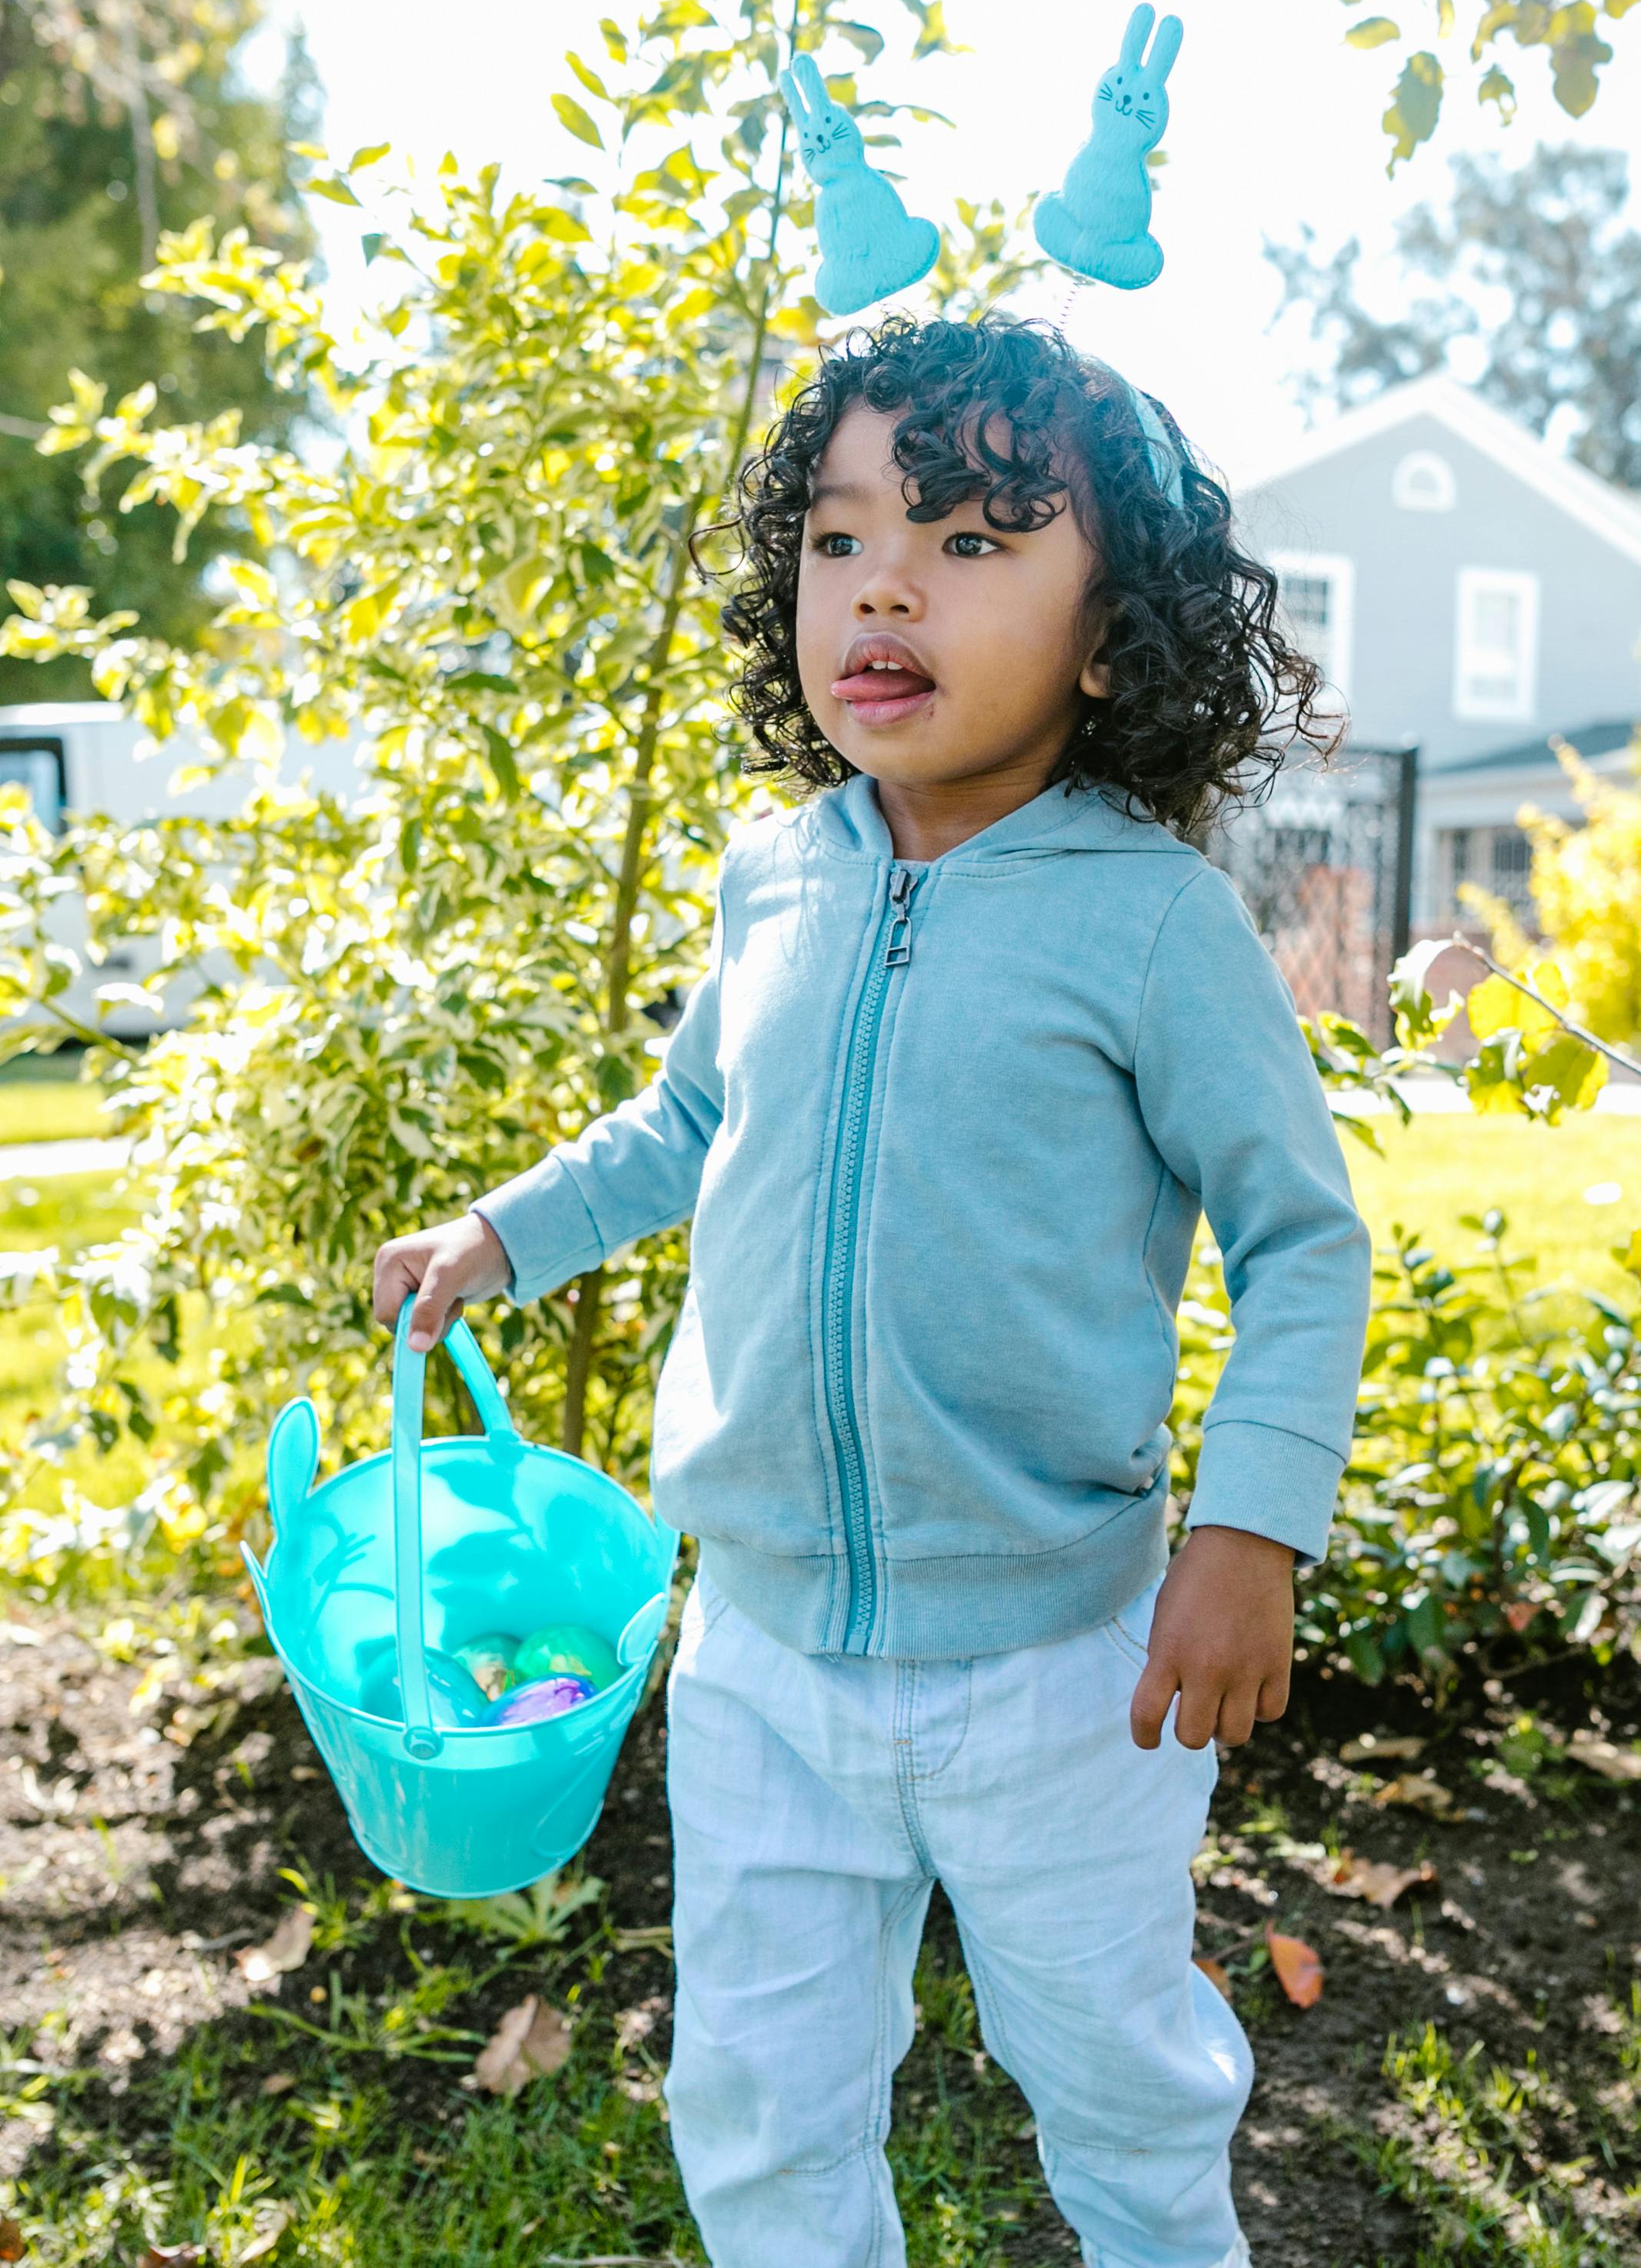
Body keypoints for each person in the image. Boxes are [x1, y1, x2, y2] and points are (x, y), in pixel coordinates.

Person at [374, 312, 1372, 2268]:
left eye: (978, 537)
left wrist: (1252, 1523)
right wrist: (508, 1230)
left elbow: (1301, 1233)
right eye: (839, 537)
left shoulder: (1151, 917)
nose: (888, 580)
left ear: (1115, 630)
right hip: (761, 1653)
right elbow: (683, 1120)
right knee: (756, 2088)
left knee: (1112, 2068)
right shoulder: (780, 877)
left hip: (1065, 1664)